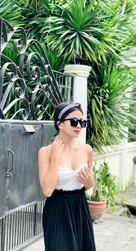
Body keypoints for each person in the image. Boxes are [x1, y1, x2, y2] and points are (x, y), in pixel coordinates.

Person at [38, 102, 96, 251]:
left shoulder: (86, 150)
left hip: (80, 207)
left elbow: (88, 185)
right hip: (57, 209)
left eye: (82, 122)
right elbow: (47, 191)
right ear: (60, 124)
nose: (79, 126)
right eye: (74, 121)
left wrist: (90, 182)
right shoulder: (45, 152)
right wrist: (55, 158)